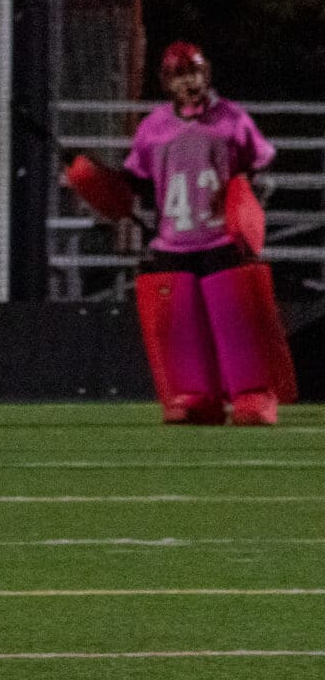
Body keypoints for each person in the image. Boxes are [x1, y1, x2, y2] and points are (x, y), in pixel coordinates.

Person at [124, 40, 292, 426]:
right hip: (173, 240)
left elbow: (258, 164)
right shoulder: (152, 127)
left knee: (236, 317)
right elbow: (135, 178)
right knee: (182, 324)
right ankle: (195, 394)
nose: (189, 82)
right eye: (180, 75)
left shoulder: (231, 119)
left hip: (221, 236)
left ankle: (252, 392)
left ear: (206, 74)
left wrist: (246, 203)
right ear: (167, 82)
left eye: (194, 73)